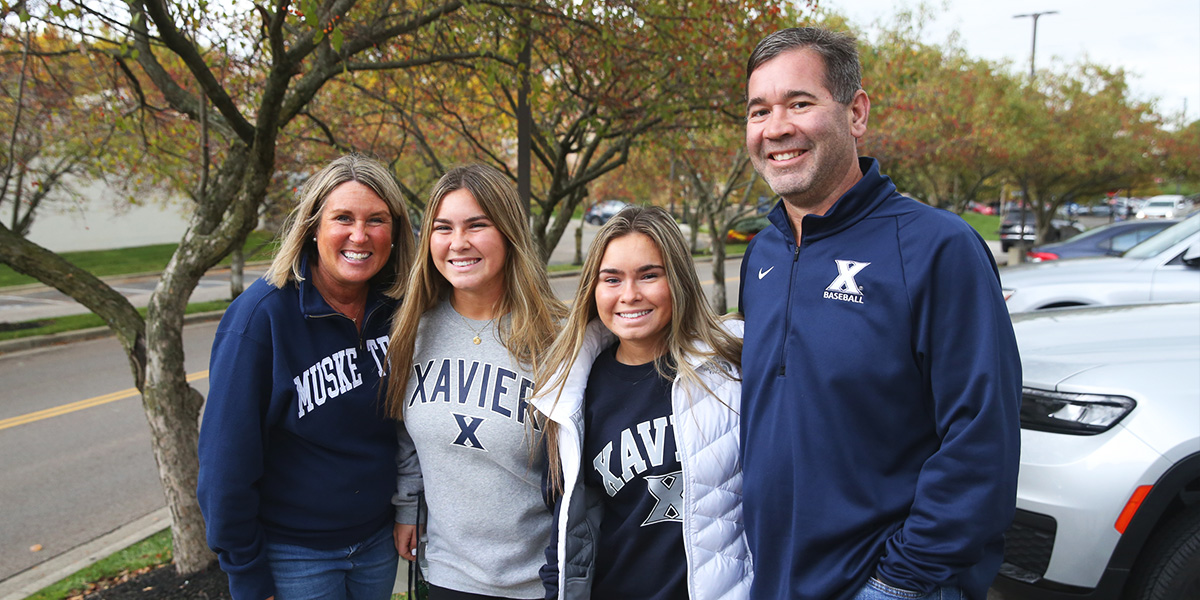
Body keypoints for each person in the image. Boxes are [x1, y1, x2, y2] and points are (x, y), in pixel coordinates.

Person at [738, 27, 1022, 600]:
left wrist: (899, 581)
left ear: (856, 113)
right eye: (758, 110)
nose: (776, 128)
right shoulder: (761, 253)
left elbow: (981, 440)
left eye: (800, 103)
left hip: (888, 585)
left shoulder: (938, 248)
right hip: (769, 580)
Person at [197, 154, 417, 600]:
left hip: (376, 543)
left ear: (394, 233)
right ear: (314, 226)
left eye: (376, 219)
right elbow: (225, 463)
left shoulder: (399, 311)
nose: (360, 235)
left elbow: (405, 427)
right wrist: (247, 574)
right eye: (343, 218)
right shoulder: (261, 318)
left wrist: (406, 510)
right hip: (293, 555)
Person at [534, 206, 752, 600]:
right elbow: (566, 532)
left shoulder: (734, 364)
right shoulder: (572, 393)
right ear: (593, 289)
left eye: (649, 275)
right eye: (611, 279)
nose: (629, 295)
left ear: (678, 280)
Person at [387, 164, 567, 600]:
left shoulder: (560, 337)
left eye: (476, 225)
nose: (458, 243)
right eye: (443, 227)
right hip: (449, 575)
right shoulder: (412, 329)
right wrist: (407, 505)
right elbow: (405, 432)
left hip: (540, 580)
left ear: (507, 233)